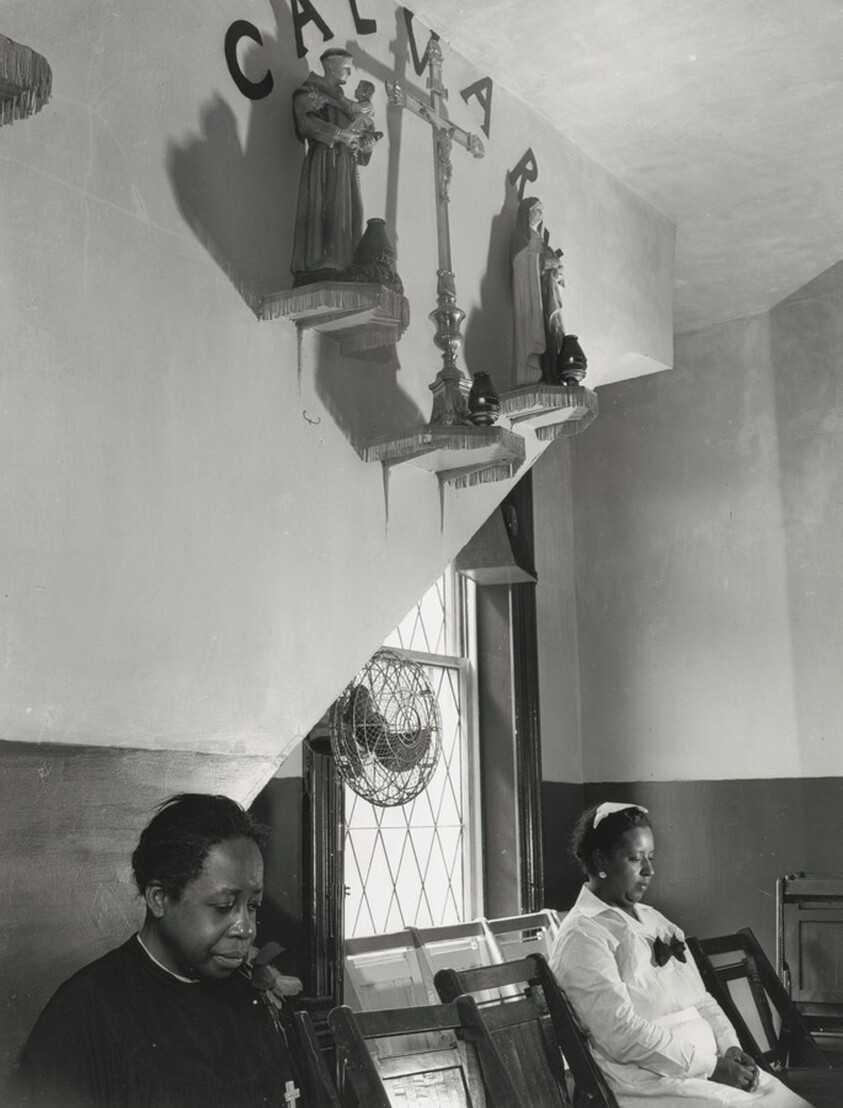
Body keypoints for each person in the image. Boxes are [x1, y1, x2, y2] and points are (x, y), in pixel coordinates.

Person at [16, 793, 308, 1108]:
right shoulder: (83, 1014)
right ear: (160, 898)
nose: (246, 928)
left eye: (253, 907)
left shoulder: (256, 995)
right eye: (224, 906)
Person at [550, 802, 814, 1108]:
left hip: (707, 1070)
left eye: (650, 858)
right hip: (650, 1084)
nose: (649, 870)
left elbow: (701, 999)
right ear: (600, 860)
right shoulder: (583, 935)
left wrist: (730, 1048)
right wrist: (712, 1067)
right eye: (635, 859)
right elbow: (620, 1034)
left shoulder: (654, 919)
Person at [290, 48, 371, 287]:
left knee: (346, 211)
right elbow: (307, 123)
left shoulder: (346, 103)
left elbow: (357, 141)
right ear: (329, 66)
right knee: (325, 207)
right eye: (346, 66)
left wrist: (365, 145)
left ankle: (342, 263)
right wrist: (338, 134)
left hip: (345, 165)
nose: (350, 71)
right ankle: (321, 264)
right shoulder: (309, 92)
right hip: (325, 160)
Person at [510, 195, 566, 387]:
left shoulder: (541, 240)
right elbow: (519, 263)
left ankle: (552, 373)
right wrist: (542, 263)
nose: (540, 214)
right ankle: (537, 372)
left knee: (552, 332)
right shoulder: (520, 236)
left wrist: (556, 273)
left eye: (542, 210)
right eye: (536, 209)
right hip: (532, 296)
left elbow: (548, 268)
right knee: (539, 331)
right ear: (526, 212)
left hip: (545, 293)